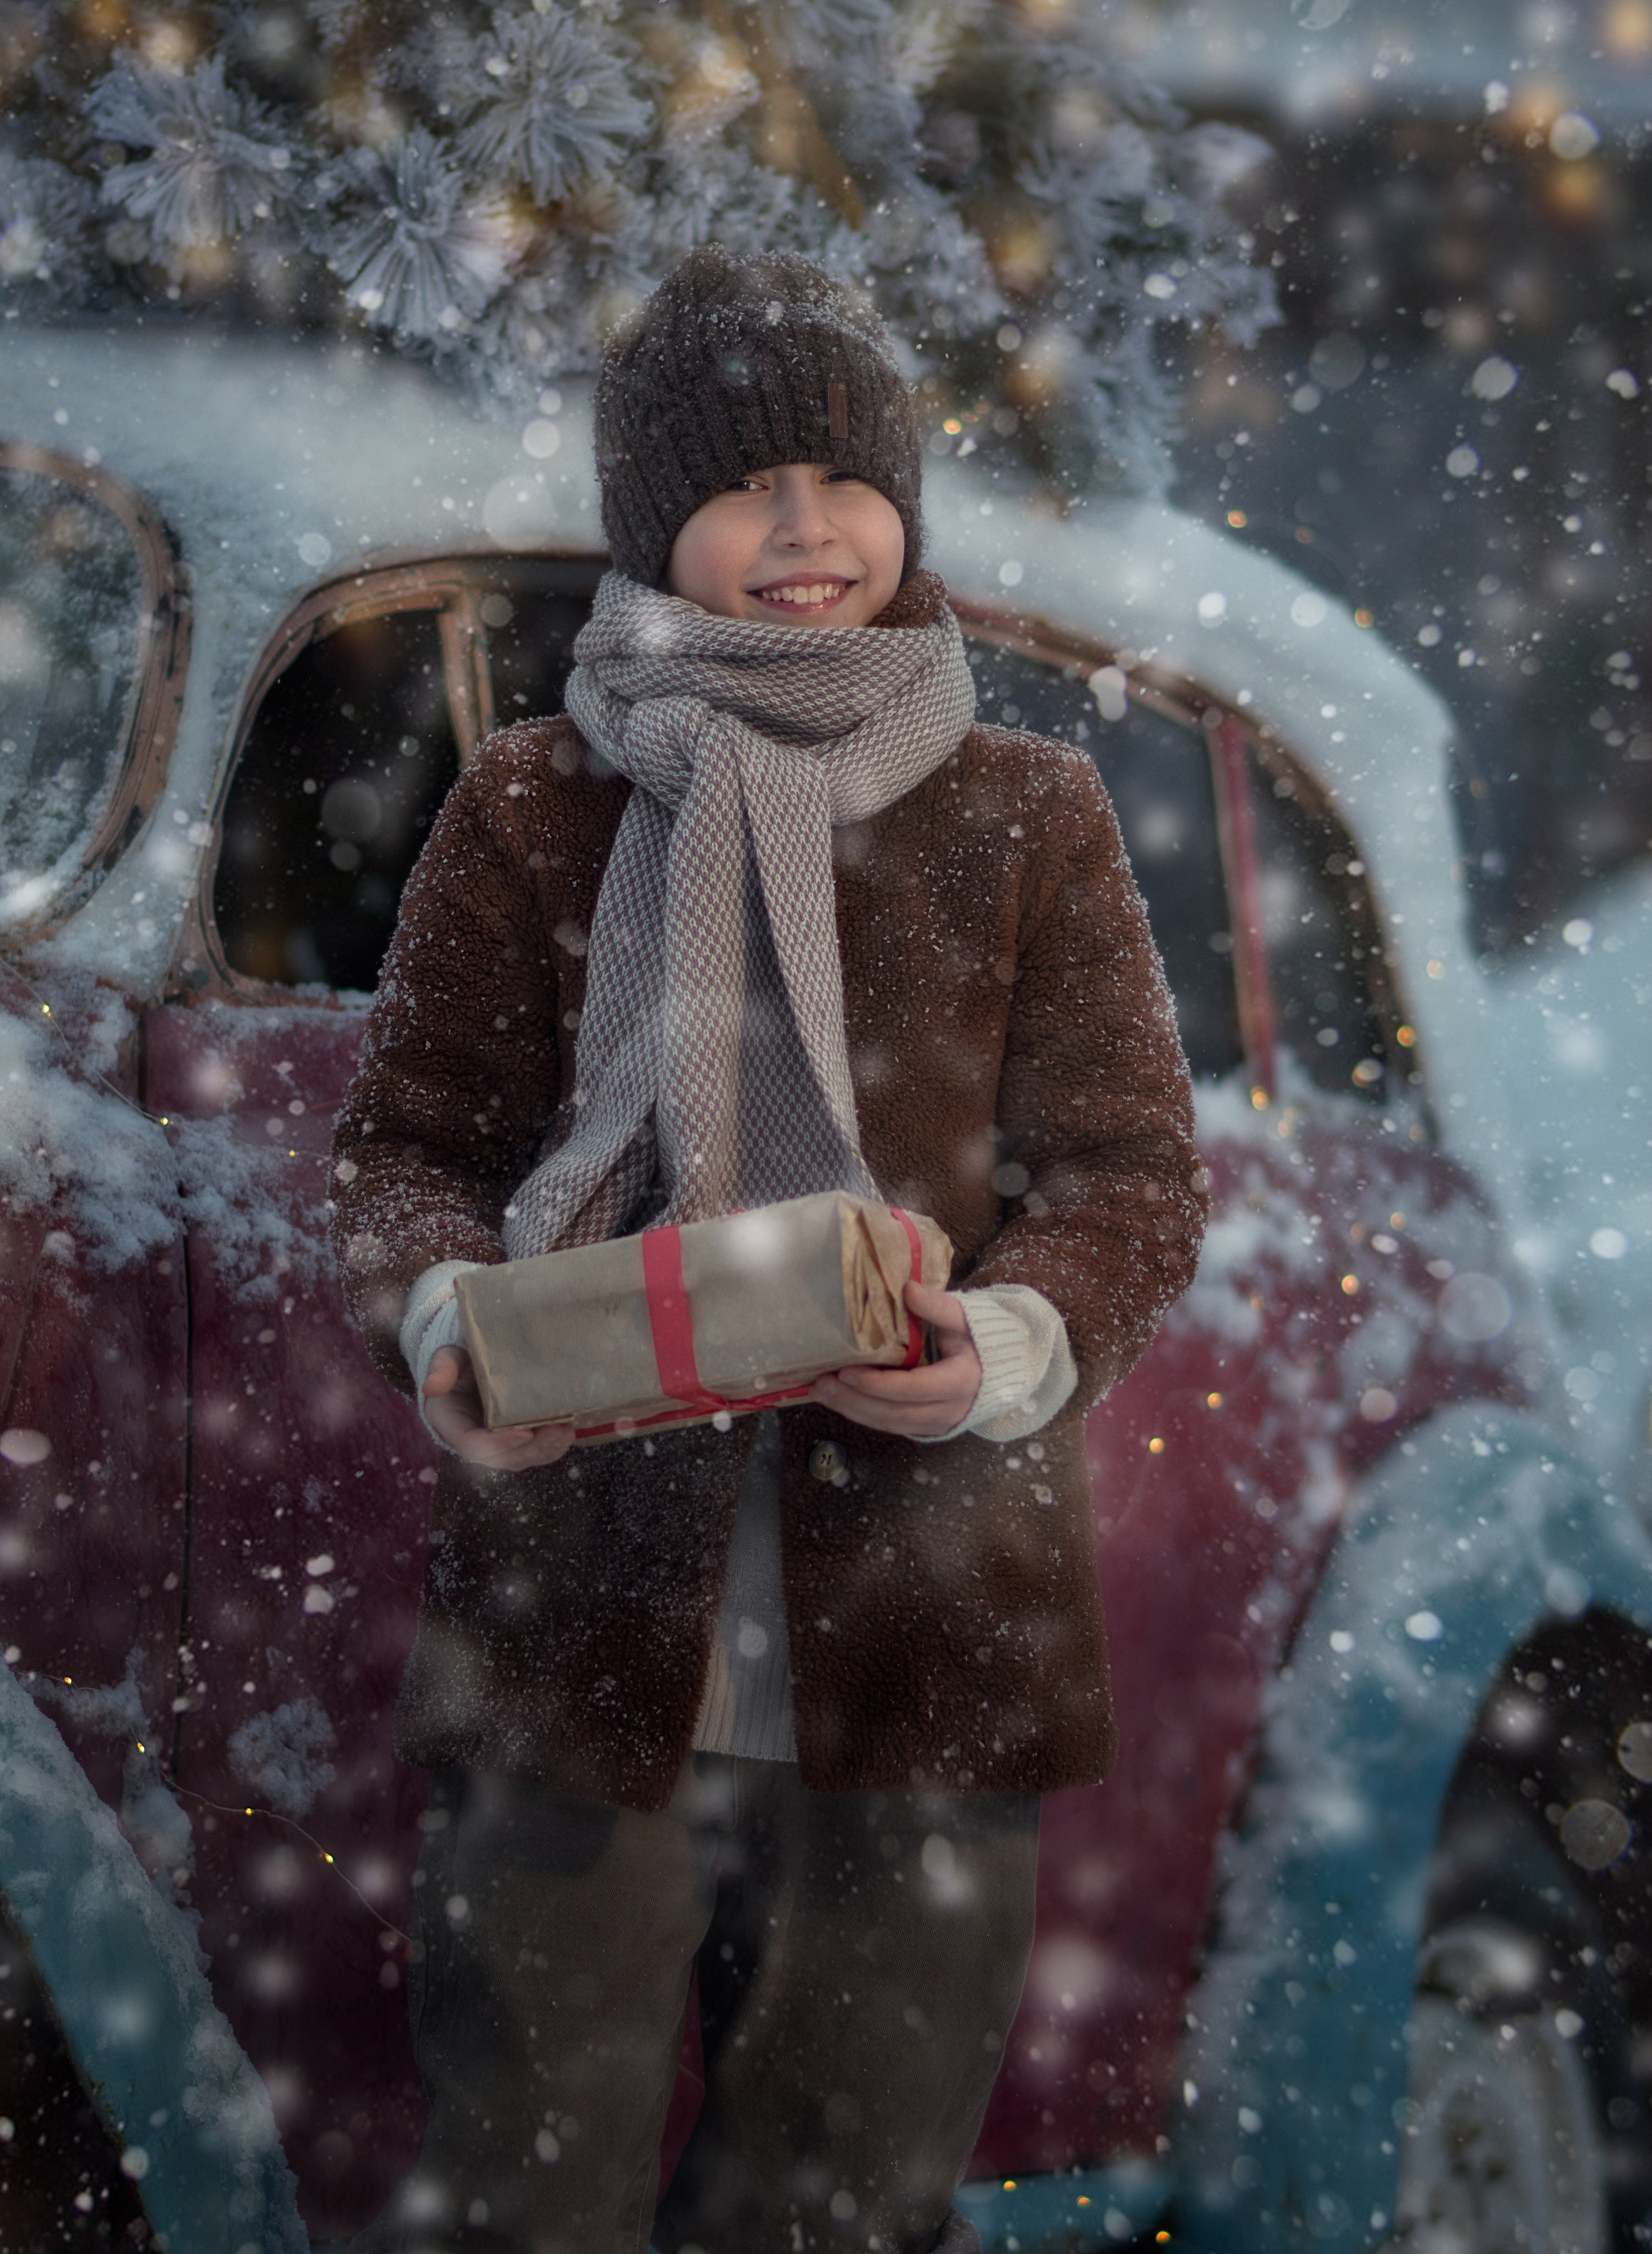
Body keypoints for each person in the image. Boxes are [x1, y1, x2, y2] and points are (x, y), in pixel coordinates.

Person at [331, 243, 1207, 2254]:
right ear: (658, 531)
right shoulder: (532, 804)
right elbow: (408, 1156)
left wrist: (996, 1341)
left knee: (841, 2201)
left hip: (931, 1632)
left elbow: (1133, 1181)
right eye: (743, 488)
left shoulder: (1029, 814)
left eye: (843, 478)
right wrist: (455, 1329)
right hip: (577, 1626)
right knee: (523, 2183)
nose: (805, 533)